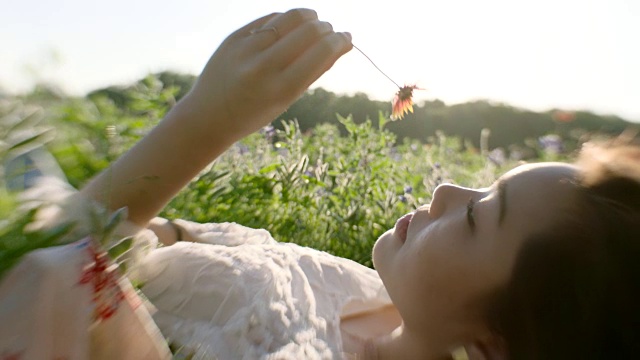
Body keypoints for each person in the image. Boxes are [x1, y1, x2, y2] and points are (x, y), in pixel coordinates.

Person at [76, 8, 640, 360]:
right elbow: (181, 241)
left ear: (494, 345)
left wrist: (207, 122)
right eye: (483, 187)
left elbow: (44, 272)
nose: (446, 191)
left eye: (476, 217)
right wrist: (171, 230)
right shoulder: (369, 296)